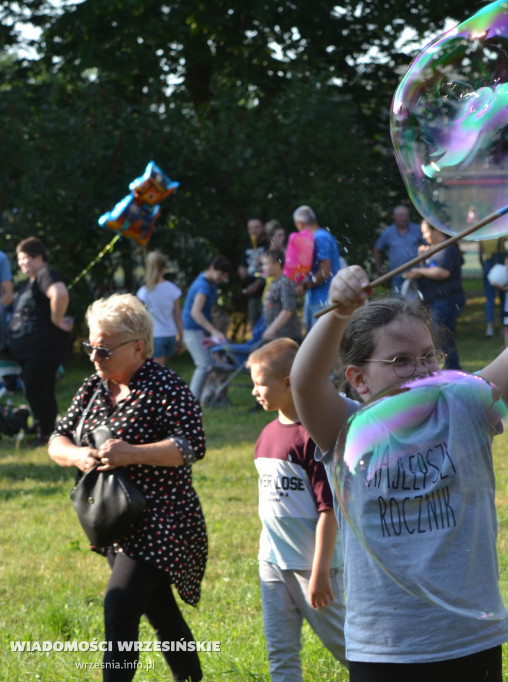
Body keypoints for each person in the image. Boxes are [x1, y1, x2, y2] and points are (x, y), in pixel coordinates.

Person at [291, 206, 508, 681]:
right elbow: (304, 384)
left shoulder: (463, 408)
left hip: (469, 638)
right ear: (358, 379)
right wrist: (339, 313)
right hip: (383, 648)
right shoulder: (345, 429)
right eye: (400, 361)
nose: (422, 370)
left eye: (429, 356)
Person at [48, 294, 207, 681]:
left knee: (118, 609)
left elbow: (191, 446)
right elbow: (58, 438)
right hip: (114, 519)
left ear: (138, 347)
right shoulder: (93, 387)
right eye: (90, 347)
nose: (94, 357)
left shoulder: (165, 386)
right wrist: (78, 456)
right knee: (161, 612)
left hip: (161, 519)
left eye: (104, 350)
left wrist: (131, 453)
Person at [246, 339, 347, 680]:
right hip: (273, 565)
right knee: (281, 652)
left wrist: (319, 573)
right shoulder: (265, 436)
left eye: (260, 384)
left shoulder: (312, 437)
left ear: (289, 382)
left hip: (313, 569)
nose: (254, 392)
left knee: (350, 648)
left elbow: (329, 511)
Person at [8, 237, 72, 447]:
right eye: (19, 259)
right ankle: (44, 430)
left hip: (42, 349)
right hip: (29, 351)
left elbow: (60, 294)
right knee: (33, 389)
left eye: (25, 258)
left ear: (38, 257)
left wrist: (57, 320)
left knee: (39, 390)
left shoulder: (46, 274)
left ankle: (46, 435)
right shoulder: (32, 281)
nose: (21, 263)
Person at [404, 221, 466, 370]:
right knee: (441, 341)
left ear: (437, 230)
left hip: (446, 301)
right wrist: (422, 260)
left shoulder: (447, 248)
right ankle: (450, 372)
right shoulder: (435, 249)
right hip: (434, 302)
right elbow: (431, 270)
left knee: (442, 341)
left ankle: (453, 372)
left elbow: (442, 272)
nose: (424, 236)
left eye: (426, 232)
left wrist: (419, 271)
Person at [182, 255, 232, 399]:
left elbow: (207, 310)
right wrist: (214, 331)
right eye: (220, 274)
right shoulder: (203, 286)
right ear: (211, 268)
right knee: (204, 365)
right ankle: (191, 401)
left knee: (211, 364)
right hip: (192, 329)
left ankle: (206, 398)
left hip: (202, 329)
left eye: (224, 276)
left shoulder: (212, 283)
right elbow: (195, 313)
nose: (221, 278)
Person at [294, 205, 346, 333]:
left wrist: (305, 286)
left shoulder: (320, 238)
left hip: (324, 301)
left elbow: (324, 272)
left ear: (300, 224)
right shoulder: (318, 237)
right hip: (318, 300)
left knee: (321, 346)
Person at [136, 251, 184, 365]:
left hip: (155, 335)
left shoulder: (144, 292)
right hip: (170, 335)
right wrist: (181, 338)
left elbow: (138, 318)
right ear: (164, 268)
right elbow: (177, 316)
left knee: (157, 369)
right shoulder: (172, 289)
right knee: (160, 368)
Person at [374, 205, 424, 294]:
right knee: (398, 304)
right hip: (396, 275)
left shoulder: (417, 229)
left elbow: (429, 245)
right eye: (401, 215)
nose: (404, 218)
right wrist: (379, 269)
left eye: (406, 215)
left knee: (417, 305)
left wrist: (425, 266)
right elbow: (377, 249)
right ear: (394, 217)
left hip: (415, 275)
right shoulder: (388, 233)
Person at [260, 249, 303, 343]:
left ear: (277, 264)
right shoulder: (274, 282)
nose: (263, 267)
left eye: (266, 264)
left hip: (288, 337)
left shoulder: (285, 282)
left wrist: (272, 329)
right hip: (277, 337)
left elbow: (288, 310)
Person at [240, 218, 269, 330]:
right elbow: (242, 265)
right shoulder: (247, 246)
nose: (253, 231)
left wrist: (256, 284)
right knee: (254, 322)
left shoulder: (268, 245)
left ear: (262, 228)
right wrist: (241, 270)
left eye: (256, 227)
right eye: (251, 228)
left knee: (266, 322)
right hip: (251, 292)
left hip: (265, 291)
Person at [478, 235, 506, 339]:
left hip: (488, 264)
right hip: (500, 263)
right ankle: (504, 326)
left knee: (490, 299)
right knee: (503, 298)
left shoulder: (483, 236)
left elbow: (480, 255)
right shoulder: (501, 234)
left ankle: (490, 328)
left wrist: (484, 266)